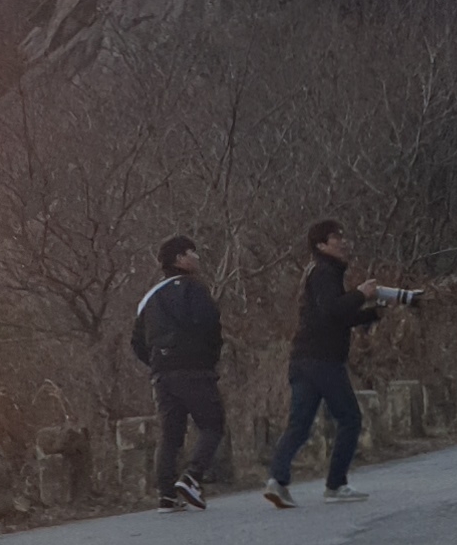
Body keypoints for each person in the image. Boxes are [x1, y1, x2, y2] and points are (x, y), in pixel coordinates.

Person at [263, 218, 421, 508]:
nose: (344, 242)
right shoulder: (324, 271)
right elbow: (333, 310)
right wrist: (362, 293)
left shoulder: (319, 272)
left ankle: (277, 480)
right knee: (350, 419)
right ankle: (336, 485)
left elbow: (339, 316)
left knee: (299, 425)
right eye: (337, 237)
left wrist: (375, 311)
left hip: (303, 359)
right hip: (322, 360)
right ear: (321, 245)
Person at [128, 234, 228, 509]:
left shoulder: (149, 297)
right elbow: (211, 326)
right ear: (180, 259)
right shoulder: (194, 289)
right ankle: (192, 477)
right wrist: (208, 359)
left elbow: (136, 342)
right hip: (195, 370)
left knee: (170, 434)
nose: (196, 257)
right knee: (212, 424)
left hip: (162, 375)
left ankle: (166, 494)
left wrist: (158, 363)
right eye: (192, 252)